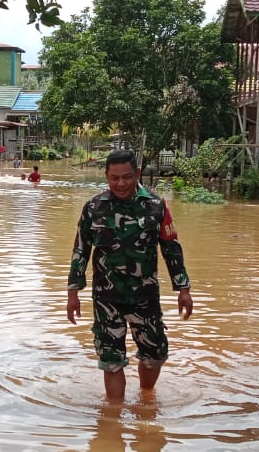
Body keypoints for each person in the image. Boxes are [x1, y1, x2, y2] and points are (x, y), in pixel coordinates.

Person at [67, 150, 193, 401]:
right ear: (106, 176)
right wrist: (73, 294)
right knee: (111, 359)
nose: (121, 184)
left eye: (127, 177)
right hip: (106, 297)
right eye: (114, 178)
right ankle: (113, 418)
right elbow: (80, 250)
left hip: (145, 296)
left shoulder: (156, 205)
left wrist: (183, 289)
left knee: (154, 354)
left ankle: (146, 397)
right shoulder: (93, 207)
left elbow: (171, 248)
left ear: (137, 174)